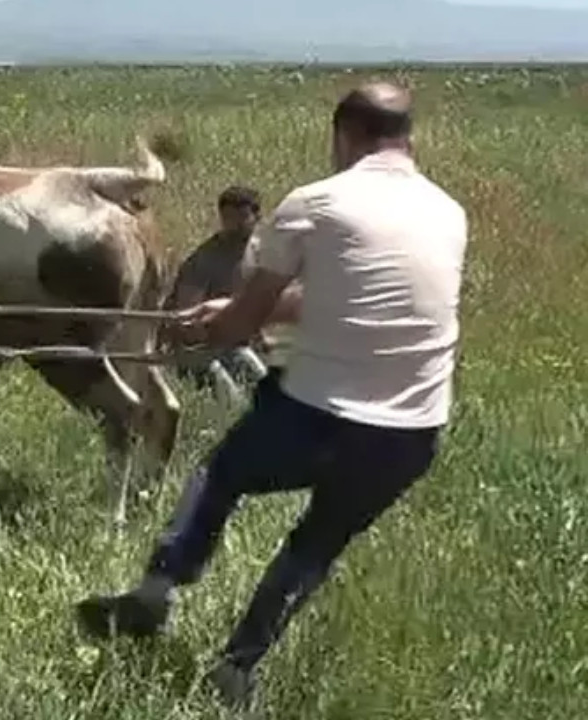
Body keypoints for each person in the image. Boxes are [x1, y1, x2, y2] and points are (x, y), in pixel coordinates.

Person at [74, 81, 469, 710]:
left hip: (321, 417)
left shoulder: (317, 202)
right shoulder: (448, 211)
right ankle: (237, 667)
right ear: (408, 139)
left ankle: (157, 591)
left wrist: (214, 322)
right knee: (313, 547)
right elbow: (340, 295)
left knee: (218, 474)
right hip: (412, 433)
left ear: (343, 137)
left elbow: (236, 330)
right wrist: (238, 305)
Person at [162, 185, 272, 405]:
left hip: (236, 348)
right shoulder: (203, 261)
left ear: (257, 216)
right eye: (228, 219)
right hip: (197, 352)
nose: (233, 226)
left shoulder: (261, 253)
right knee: (234, 401)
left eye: (240, 219)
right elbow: (185, 322)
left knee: (270, 392)